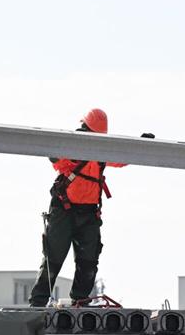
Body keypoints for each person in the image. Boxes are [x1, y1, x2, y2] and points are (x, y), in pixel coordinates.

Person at [29, 108, 126, 307]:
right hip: (64, 210)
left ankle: (80, 304)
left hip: (89, 213)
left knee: (88, 263)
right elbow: (54, 157)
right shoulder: (72, 146)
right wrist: (66, 146)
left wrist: (140, 145)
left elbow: (121, 159)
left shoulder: (102, 152)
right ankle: (37, 305)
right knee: (53, 260)